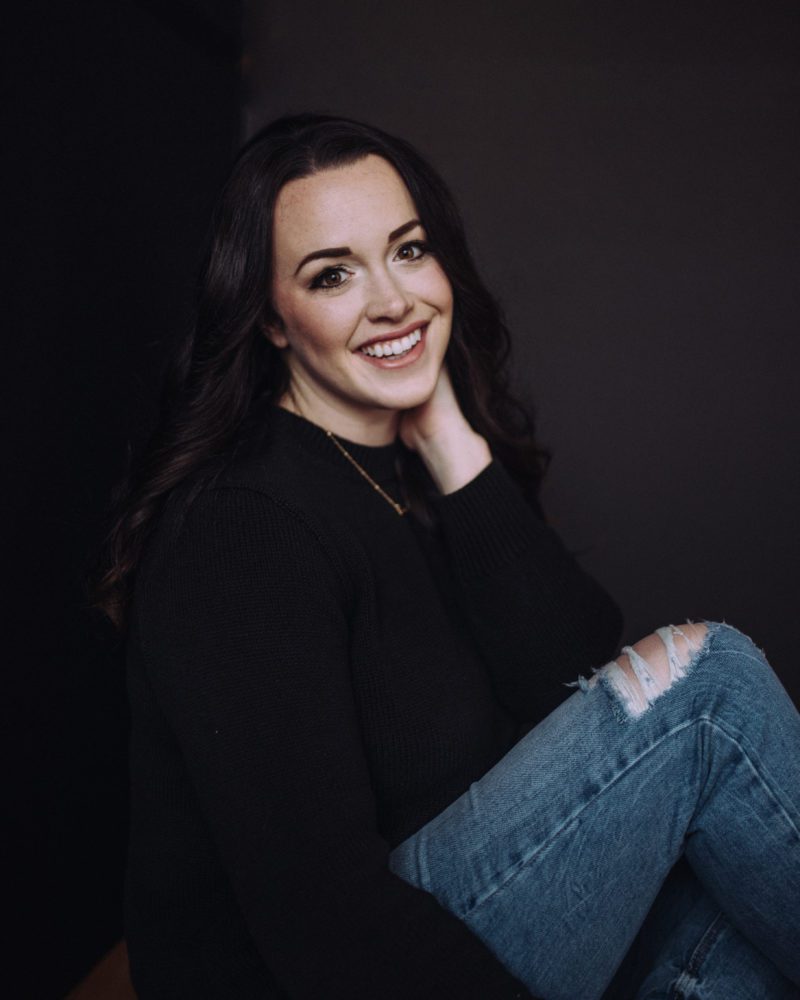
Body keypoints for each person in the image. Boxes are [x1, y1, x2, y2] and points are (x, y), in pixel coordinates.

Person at [90, 113, 800, 999]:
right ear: (272, 321)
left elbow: (574, 699)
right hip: (338, 970)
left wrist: (449, 438)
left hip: (459, 926)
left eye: (409, 251)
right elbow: (320, 918)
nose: (393, 300)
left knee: (744, 951)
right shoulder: (243, 531)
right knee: (709, 690)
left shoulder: (409, 477)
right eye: (333, 274)